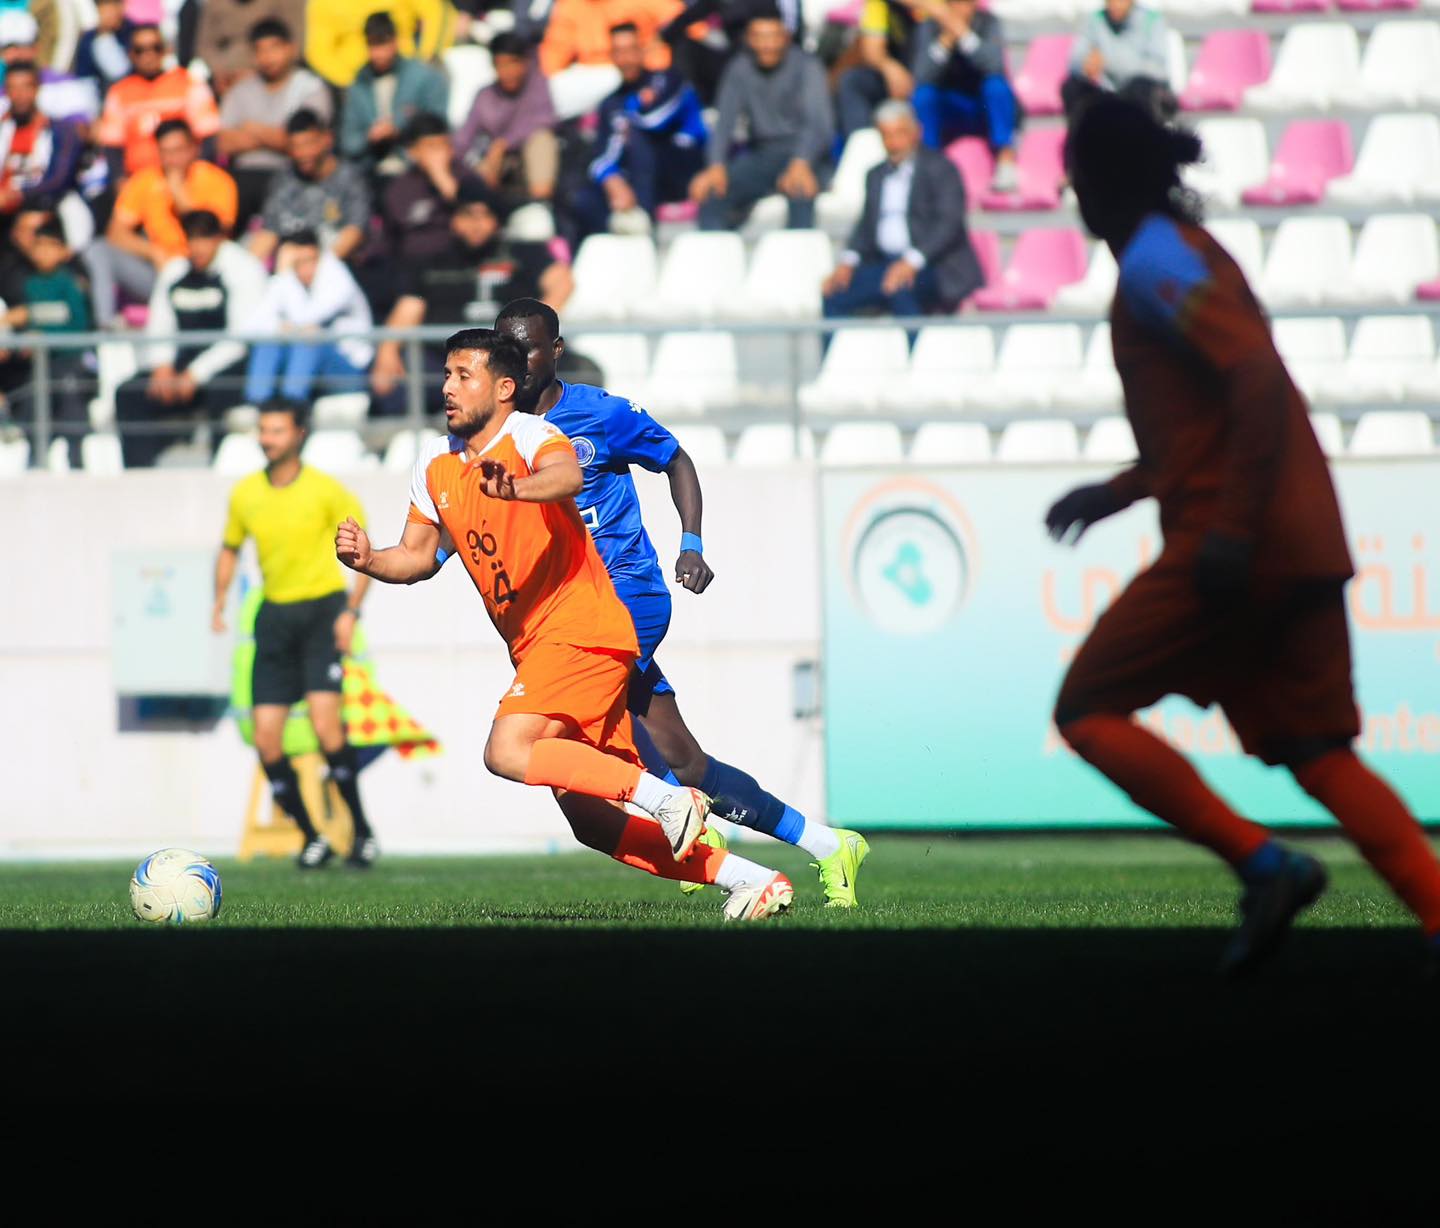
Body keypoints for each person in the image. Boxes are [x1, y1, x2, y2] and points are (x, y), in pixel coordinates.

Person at [1045, 96, 1440, 976]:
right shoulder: (1185, 251)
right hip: (1298, 535)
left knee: (1086, 708)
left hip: (1238, 549)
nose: (1073, 194)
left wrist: (1227, 531)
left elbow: (1255, 376)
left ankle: (1266, 866)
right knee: (1318, 753)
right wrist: (1117, 492)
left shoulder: (1154, 262)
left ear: (1098, 184)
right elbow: (1214, 419)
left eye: (1077, 176)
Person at [335, 328, 795, 919]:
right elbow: (417, 556)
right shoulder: (434, 461)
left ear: (504, 388)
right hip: (538, 647)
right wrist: (370, 560)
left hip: (583, 628)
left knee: (507, 749)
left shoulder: (529, 435)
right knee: (591, 821)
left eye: (463, 376)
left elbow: (567, 477)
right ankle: (751, 879)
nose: (447, 387)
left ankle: (666, 799)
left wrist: (517, 487)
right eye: (446, 374)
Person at [495, 298, 870, 906]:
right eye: (506, 348)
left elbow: (675, 458)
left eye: (528, 347)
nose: (517, 359)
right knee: (682, 758)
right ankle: (828, 844)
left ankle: (684, 814)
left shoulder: (600, 415)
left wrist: (691, 543)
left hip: (625, 596)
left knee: (566, 737)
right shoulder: (499, 434)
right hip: (567, 616)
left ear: (555, 351)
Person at [214, 398, 380, 870]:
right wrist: (218, 600)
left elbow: (362, 552)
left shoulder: (327, 491)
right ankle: (312, 837)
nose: (267, 439)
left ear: (299, 434)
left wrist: (350, 611)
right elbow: (230, 548)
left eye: (277, 430)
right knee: (267, 738)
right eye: (263, 430)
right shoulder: (245, 493)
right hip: (273, 617)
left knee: (328, 728)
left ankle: (361, 832)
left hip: (321, 613)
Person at [370, 177, 571, 412]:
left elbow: (562, 283)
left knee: (571, 373)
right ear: (454, 219)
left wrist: (532, 331)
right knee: (395, 391)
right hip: (446, 362)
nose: (476, 225)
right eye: (468, 215)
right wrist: (388, 351)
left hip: (509, 358)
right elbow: (409, 308)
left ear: (496, 220)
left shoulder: (522, 254)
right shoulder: (432, 263)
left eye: (484, 215)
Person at [113, 209, 266, 467]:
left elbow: (239, 338)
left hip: (228, 367)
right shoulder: (176, 271)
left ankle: (216, 469)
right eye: (192, 238)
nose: (197, 247)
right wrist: (162, 366)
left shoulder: (243, 269)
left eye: (204, 238)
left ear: (220, 239)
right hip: (182, 365)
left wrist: (196, 374)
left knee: (221, 393)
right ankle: (139, 474)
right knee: (129, 393)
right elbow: (160, 325)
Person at [821, 98, 982, 321]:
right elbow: (866, 227)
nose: (893, 143)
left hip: (934, 265)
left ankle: (915, 344)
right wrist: (847, 262)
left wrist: (912, 261)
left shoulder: (941, 168)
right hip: (885, 264)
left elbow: (949, 224)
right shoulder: (875, 175)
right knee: (834, 293)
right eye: (886, 135)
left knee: (901, 289)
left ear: (916, 132)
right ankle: (835, 346)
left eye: (899, 134)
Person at [85, 119, 238, 327]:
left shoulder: (218, 181)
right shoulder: (145, 180)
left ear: (194, 148)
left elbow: (215, 234)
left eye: (178, 150)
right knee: (97, 249)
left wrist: (179, 194)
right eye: (165, 152)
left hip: (204, 270)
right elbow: (116, 233)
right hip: (159, 271)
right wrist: (153, 252)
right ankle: (106, 326)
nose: (172, 159)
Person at [691, 9, 832, 232]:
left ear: (785, 37)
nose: (767, 45)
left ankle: (801, 252)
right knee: (713, 194)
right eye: (759, 37)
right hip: (762, 155)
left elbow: (819, 124)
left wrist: (801, 161)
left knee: (800, 189)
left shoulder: (807, 66)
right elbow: (724, 122)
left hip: (807, 154)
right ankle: (718, 252)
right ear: (748, 39)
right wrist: (715, 165)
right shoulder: (739, 68)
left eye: (773, 36)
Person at [577, 21, 707, 237]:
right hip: (637, 174)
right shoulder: (611, 103)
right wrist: (612, 181)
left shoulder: (668, 80)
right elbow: (602, 154)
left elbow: (654, 121)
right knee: (584, 197)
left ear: (642, 50)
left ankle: (643, 223)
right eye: (618, 52)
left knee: (639, 140)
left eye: (631, 50)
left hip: (682, 164)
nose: (625, 59)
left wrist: (632, 107)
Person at [216, 18, 333, 233]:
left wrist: (252, 128)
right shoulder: (240, 91)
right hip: (244, 176)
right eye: (260, 50)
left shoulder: (310, 87)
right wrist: (274, 136)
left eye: (274, 48)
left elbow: (303, 142)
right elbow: (224, 143)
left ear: (291, 48)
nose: (267, 57)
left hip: (292, 173)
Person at [0, 218, 93, 465]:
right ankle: (35, 457)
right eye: (39, 245)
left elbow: (78, 326)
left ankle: (76, 460)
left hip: (69, 359)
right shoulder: (31, 285)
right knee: (32, 403)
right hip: (42, 363)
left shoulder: (69, 284)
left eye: (50, 246)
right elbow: (30, 324)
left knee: (71, 403)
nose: (44, 252)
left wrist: (43, 334)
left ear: (63, 251)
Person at [244, 228, 373, 405]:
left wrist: (284, 272)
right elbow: (250, 326)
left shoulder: (337, 275)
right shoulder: (287, 280)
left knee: (309, 341)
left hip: (349, 369)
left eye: (311, 260)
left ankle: (292, 408)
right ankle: (258, 405)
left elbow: (303, 318)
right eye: (298, 262)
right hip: (304, 366)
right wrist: (277, 327)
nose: (306, 268)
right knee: (268, 343)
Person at [910, 0, 1018, 193]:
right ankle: (928, 162)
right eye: (953, 3)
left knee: (996, 87)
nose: (959, 8)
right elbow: (921, 76)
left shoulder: (988, 23)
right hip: (951, 107)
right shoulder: (929, 27)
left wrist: (965, 37)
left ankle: (1005, 158)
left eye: (964, 3)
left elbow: (995, 66)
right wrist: (944, 43)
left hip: (982, 108)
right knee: (925, 95)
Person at [249, 108, 371, 268]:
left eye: (308, 144)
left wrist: (318, 269)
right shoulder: (283, 180)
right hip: (289, 265)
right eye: (295, 146)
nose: (302, 153)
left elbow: (355, 232)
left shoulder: (350, 179)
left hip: (335, 266)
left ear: (327, 139)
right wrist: (247, 268)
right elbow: (269, 232)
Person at [96, 25, 221, 178]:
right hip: (138, 181)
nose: (149, 55)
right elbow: (112, 145)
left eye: (156, 48)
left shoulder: (188, 83)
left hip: (183, 178)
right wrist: (120, 182)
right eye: (140, 50)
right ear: (131, 54)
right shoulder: (119, 92)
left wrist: (195, 178)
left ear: (166, 50)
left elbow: (209, 135)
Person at [453, 32, 558, 213]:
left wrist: (504, 143)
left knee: (542, 140)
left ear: (525, 63)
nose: (507, 71)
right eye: (500, 65)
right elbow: (463, 139)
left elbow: (545, 119)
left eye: (512, 63)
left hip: (528, 163)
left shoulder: (538, 85)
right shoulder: (485, 95)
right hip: (497, 166)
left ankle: (541, 206)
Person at [337, 11, 449, 178]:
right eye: (373, 45)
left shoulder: (423, 77)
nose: (379, 53)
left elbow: (438, 127)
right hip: (371, 169)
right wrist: (370, 136)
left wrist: (399, 128)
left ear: (395, 41)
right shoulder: (359, 84)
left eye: (383, 43)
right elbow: (348, 141)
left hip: (415, 167)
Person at [0, 63, 86, 234]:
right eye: (13, 88)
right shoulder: (4, 128)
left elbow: (59, 180)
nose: (19, 95)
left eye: (26, 87)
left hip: (46, 209)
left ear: (37, 89)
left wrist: (18, 195)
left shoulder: (61, 131)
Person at [1061, 0, 1174, 123]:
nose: (1115, 4)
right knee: (1072, 86)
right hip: (1106, 91)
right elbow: (1075, 59)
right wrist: (1086, 65)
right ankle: (1085, 132)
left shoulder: (1152, 21)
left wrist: (1109, 62)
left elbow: (1158, 69)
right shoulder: (1095, 20)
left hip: (1143, 95)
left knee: (1140, 87)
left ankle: (1138, 132)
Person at [305, 0, 456, 89]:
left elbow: (437, 12)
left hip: (405, 73)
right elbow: (318, 51)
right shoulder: (323, 3)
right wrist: (352, 83)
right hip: (358, 79)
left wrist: (425, 57)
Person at [72, 0, 137, 97]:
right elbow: (84, 77)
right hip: (102, 98)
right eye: (102, 6)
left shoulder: (135, 33)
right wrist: (103, 33)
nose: (107, 13)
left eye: (111, 6)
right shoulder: (88, 39)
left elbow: (119, 72)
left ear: (121, 6)